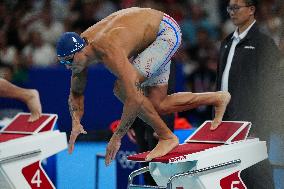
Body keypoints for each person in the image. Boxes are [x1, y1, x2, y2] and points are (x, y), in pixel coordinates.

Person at [56, 7, 231, 166]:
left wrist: (117, 136)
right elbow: (76, 92)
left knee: (121, 88)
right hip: (148, 39)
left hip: (165, 32)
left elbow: (133, 96)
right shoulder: (79, 57)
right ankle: (217, 98)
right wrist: (76, 122)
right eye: (63, 62)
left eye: (69, 61)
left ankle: (167, 137)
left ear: (80, 51)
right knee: (159, 105)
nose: (67, 66)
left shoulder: (107, 49)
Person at [216, 0, 281, 188]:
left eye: (237, 8)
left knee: (257, 172)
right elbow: (220, 83)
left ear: (251, 10)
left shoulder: (264, 44)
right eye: (230, 8)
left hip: (253, 123)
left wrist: (260, 126)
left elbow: (272, 88)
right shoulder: (227, 42)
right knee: (234, 173)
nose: (232, 12)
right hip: (228, 121)